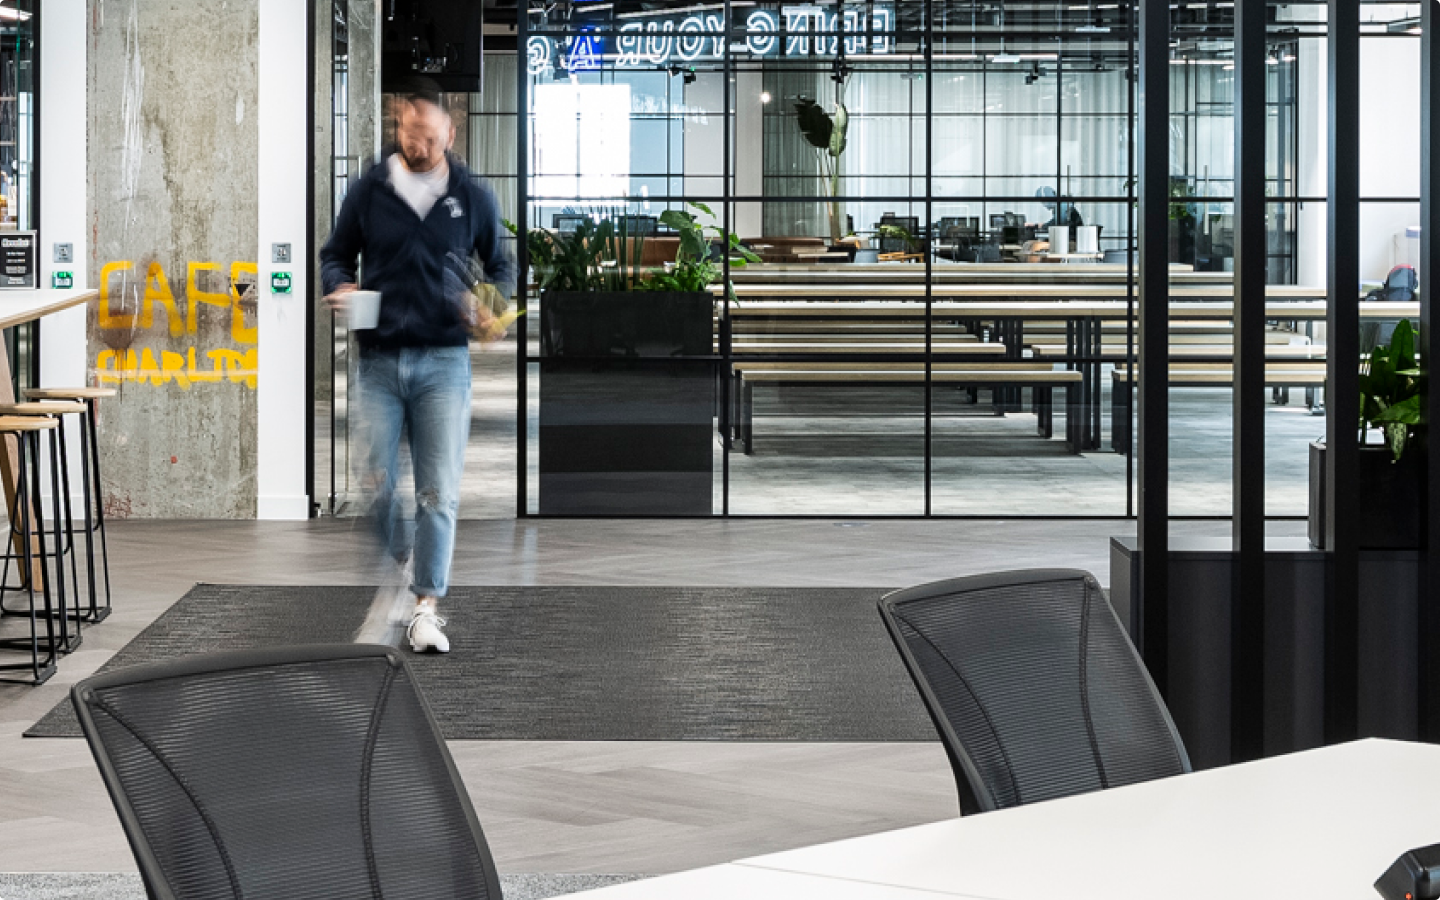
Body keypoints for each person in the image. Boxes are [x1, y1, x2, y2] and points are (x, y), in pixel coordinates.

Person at [320, 79, 515, 653]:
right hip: (378, 360)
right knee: (374, 480)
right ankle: (405, 563)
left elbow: (504, 268)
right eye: (410, 133)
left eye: (430, 137)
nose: (419, 145)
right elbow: (334, 253)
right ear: (399, 129)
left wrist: (491, 311)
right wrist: (341, 284)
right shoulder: (370, 190)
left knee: (438, 492)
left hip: (443, 362)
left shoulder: (474, 197)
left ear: (449, 135)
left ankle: (427, 605)